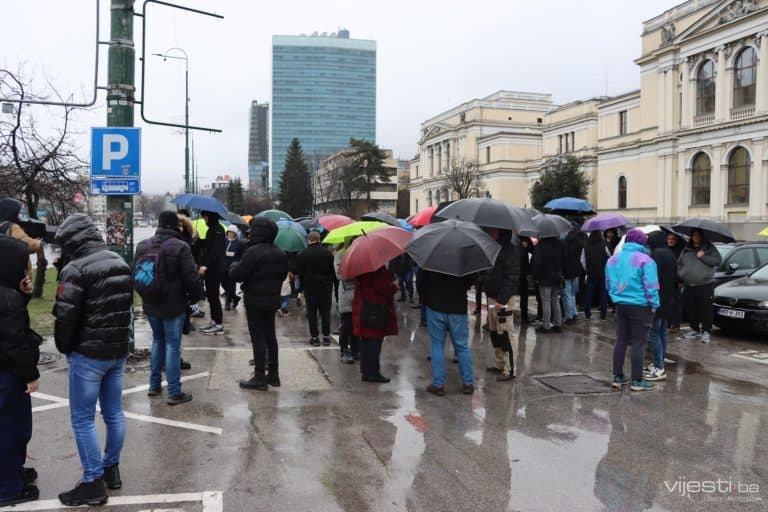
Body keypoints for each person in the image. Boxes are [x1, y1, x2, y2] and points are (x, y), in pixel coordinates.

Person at [53, 214, 132, 506]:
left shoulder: (75, 268)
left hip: (88, 354)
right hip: (117, 351)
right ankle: (111, 469)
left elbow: (65, 316)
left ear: (72, 241)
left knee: (82, 418)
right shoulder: (119, 261)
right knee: (113, 412)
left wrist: (65, 346)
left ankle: (92, 481)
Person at [135, 211, 203, 405]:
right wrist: (198, 297)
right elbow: (191, 277)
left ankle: (154, 385)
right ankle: (174, 392)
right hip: (174, 304)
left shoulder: (143, 245)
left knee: (158, 341)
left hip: (150, 302)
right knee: (173, 346)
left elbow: (135, 272)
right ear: (176, 226)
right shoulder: (181, 246)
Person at [0, 236, 41, 507]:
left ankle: (12, 472)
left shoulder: (8, 292)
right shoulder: (7, 299)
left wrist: (22, 295)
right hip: (8, 374)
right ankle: (7, 488)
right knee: (12, 429)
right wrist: (30, 375)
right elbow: (13, 340)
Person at [231, 217, 289, 391]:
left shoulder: (253, 252)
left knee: (258, 338)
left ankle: (259, 376)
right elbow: (282, 274)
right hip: (272, 299)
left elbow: (237, 275)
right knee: (270, 335)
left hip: (255, 300)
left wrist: (234, 265)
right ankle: (274, 374)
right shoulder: (280, 252)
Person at [606, 229, 659, 392]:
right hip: (641, 306)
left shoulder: (613, 260)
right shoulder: (646, 260)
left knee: (621, 340)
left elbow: (608, 284)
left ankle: (618, 376)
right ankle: (637, 380)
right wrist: (654, 305)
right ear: (642, 242)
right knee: (638, 343)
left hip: (620, 305)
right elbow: (651, 286)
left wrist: (616, 297)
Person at [418, 269, 474, 395]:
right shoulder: (465, 256)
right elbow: (470, 281)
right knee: (462, 346)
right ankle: (468, 383)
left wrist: (425, 299)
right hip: (458, 307)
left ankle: (438, 385)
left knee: (437, 345)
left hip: (435, 305)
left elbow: (421, 282)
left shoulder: (431, 255)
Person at [481, 228, 520, 381]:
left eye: (494, 230)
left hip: (502, 300)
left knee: (505, 333)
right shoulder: (494, 248)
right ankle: (500, 363)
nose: (491, 232)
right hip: (492, 296)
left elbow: (512, 278)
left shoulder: (509, 251)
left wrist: (502, 300)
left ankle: (510, 369)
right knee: (494, 332)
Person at [353, 266, 397, 383]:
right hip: (376, 309)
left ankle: (365, 372)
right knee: (375, 341)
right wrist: (393, 286)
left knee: (365, 341)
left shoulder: (360, 268)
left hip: (365, 308)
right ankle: (373, 373)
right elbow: (383, 288)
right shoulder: (377, 269)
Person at [677, 229, 722, 343]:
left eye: (697, 235)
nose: (695, 237)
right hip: (689, 284)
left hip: (705, 284)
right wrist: (681, 275)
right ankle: (694, 329)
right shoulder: (687, 248)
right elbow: (680, 263)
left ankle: (706, 331)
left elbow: (718, 261)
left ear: (702, 237)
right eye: (693, 235)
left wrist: (703, 256)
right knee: (691, 308)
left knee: (705, 309)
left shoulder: (708, 248)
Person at [644, 231, 677, 381]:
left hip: (657, 299)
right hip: (668, 298)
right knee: (662, 332)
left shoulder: (656, 254)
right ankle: (659, 361)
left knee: (653, 334)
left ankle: (659, 368)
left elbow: (652, 278)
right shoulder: (670, 253)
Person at [296, 231, 335, 346]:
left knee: (312, 313)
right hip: (325, 287)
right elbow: (332, 272)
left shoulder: (302, 254)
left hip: (310, 287)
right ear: (319, 240)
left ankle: (315, 337)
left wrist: (300, 289)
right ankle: (326, 337)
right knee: (325, 312)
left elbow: (300, 273)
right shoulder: (328, 254)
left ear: (308, 240)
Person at [198, 211, 226, 335]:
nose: (204, 219)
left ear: (209, 216)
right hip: (211, 269)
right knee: (210, 296)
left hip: (214, 269)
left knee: (214, 296)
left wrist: (205, 265)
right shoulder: (213, 229)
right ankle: (214, 321)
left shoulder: (218, 230)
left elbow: (214, 251)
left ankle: (218, 325)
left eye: (204, 217)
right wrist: (198, 239)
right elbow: (208, 245)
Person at [0, 198, 43, 274]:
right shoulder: (12, 227)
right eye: (18, 213)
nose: (19, 216)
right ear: (11, 212)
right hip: (14, 273)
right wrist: (38, 242)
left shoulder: (2, 226)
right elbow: (30, 245)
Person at [335, 238, 360, 363]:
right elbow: (340, 274)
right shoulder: (340, 255)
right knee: (347, 325)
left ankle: (356, 350)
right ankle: (344, 350)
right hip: (346, 296)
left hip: (359, 296)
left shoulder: (361, 253)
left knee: (357, 325)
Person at [532, 236, 563, 333]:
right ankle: (558, 324)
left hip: (544, 277)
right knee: (555, 300)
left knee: (546, 301)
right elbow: (563, 259)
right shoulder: (559, 244)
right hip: (557, 276)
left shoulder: (540, 246)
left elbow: (536, 262)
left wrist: (535, 276)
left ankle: (546, 326)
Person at [582, 231, 610, 321]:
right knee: (603, 294)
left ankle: (587, 314)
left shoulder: (586, 245)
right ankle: (603, 315)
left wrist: (587, 270)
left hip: (590, 273)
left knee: (588, 294)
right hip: (603, 273)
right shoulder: (605, 244)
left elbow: (582, 260)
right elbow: (610, 257)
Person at [562, 229, 583, 324]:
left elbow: (562, 258)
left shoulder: (563, 243)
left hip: (566, 271)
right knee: (573, 293)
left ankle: (569, 316)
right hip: (576, 271)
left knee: (567, 294)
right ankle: (574, 313)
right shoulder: (579, 243)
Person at [222, 225, 245, 311]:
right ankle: (235, 298)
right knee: (223, 282)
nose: (230, 234)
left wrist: (238, 262)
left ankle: (227, 303)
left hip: (233, 266)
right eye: (229, 232)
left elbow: (241, 255)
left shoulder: (239, 243)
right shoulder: (224, 241)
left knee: (231, 284)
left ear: (235, 234)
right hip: (224, 265)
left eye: (232, 233)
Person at [666, 232, 684, 333]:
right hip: (665, 281)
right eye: (669, 238)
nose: (670, 240)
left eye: (673, 239)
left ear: (676, 240)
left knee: (676, 304)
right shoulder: (665, 250)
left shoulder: (680, 251)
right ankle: (667, 323)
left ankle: (676, 325)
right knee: (667, 303)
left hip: (676, 281)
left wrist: (681, 280)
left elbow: (682, 267)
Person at [518, 237, 533, 323]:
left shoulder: (525, 237)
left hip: (523, 270)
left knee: (524, 294)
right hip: (512, 269)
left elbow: (533, 250)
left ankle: (524, 317)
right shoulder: (508, 235)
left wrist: (527, 247)